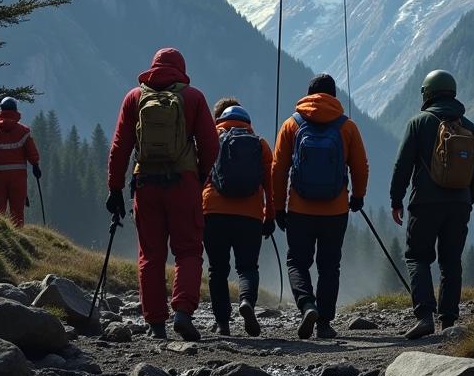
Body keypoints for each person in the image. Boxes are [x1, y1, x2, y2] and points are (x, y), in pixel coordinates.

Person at [106, 48, 218, 342]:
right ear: (181, 69)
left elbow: (119, 147)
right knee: (189, 250)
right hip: (184, 183)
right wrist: (202, 174)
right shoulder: (193, 98)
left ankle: (156, 325)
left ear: (153, 67)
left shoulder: (134, 98)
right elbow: (210, 143)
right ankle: (182, 312)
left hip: (145, 185)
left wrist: (114, 188)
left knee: (151, 255)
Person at [389, 69, 474, 339]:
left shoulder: (418, 123)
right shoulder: (470, 127)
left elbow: (402, 166)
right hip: (459, 205)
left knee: (417, 257)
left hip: (424, 204)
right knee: (451, 261)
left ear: (427, 94)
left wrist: (396, 199)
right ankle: (448, 321)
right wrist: (467, 200)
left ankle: (424, 316)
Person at [272, 73, 368, 339]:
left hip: (300, 209)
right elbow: (360, 166)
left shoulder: (292, 124)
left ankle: (307, 305)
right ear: (334, 97)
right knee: (329, 266)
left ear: (308, 94)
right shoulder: (347, 127)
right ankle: (324, 323)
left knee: (297, 263)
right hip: (335, 210)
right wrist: (357, 196)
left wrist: (278, 207)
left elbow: (278, 170)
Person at [202, 97, 275, 336]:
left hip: (213, 213)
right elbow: (269, 184)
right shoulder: (260, 144)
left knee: (217, 269)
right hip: (250, 215)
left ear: (220, 120)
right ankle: (246, 302)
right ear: (248, 123)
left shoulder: (209, 140)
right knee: (247, 268)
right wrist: (269, 215)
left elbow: (199, 177)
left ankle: (222, 323)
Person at [0, 96, 41, 228]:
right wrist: (35, 166)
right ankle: (18, 240)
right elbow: (32, 154)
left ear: (1, 111)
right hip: (18, 178)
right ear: (15, 111)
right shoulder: (24, 132)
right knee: (17, 212)